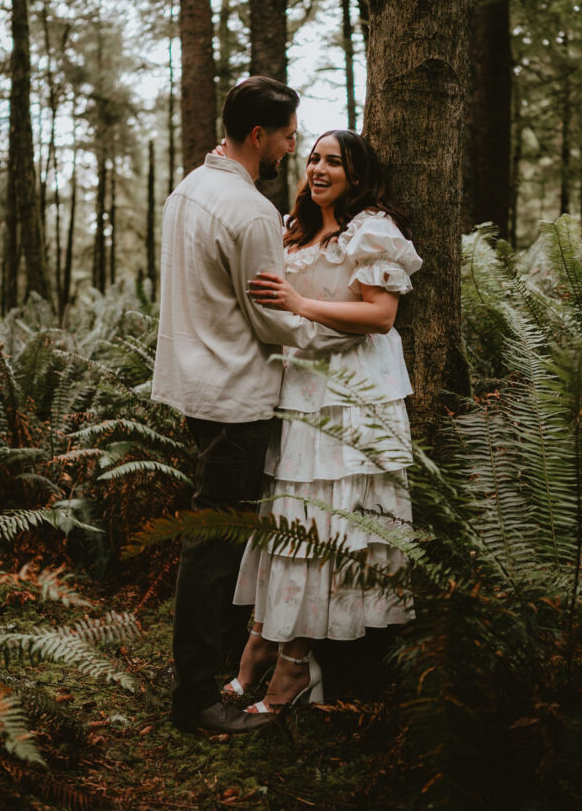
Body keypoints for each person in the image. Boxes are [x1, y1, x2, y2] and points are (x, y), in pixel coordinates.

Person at [151, 78, 361, 735]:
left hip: (195, 387)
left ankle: (205, 675)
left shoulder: (188, 190)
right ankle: (196, 700)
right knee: (214, 550)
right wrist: (345, 331)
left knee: (209, 543)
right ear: (258, 135)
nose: (293, 147)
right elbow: (272, 320)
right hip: (236, 396)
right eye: (290, 135)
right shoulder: (246, 211)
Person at [226, 129, 422, 714]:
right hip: (301, 392)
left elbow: (380, 315)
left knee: (328, 529)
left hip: (352, 398)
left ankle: (293, 668)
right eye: (312, 157)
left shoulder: (371, 231)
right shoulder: (297, 233)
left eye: (333, 161)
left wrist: (299, 303)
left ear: (356, 175)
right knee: (288, 520)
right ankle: (260, 644)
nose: (317, 167)